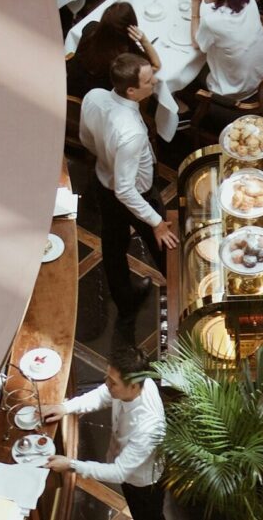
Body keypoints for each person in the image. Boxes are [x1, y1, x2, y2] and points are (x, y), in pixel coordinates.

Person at [80, 54, 178, 339]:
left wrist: (106, 158)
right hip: (138, 194)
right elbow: (126, 190)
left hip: (102, 181)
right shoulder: (132, 133)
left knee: (112, 244)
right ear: (131, 91)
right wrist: (155, 221)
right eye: (149, 81)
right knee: (166, 247)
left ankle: (125, 301)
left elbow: (86, 138)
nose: (155, 82)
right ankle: (181, 294)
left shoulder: (94, 96)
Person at [44, 345, 166, 520]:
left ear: (132, 387)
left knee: (148, 515)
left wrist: (71, 464)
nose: (107, 385)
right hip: (126, 468)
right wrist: (64, 408)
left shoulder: (148, 427)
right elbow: (101, 395)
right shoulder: (135, 384)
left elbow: (118, 472)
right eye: (107, 377)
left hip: (143, 483)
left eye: (113, 382)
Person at [189, 0, 263, 100]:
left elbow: (197, 44)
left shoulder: (212, 22)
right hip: (262, 78)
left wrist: (195, 3)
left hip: (234, 90)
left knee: (189, 70)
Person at [69, 2, 161, 97]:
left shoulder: (90, 28)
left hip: (70, 88)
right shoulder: (124, 59)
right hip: (99, 101)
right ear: (130, 29)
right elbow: (155, 65)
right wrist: (143, 40)